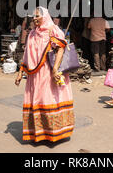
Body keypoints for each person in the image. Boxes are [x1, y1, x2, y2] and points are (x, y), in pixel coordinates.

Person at [14, 7, 74, 143]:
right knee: (37, 100)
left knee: (48, 99)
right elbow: (26, 55)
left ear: (45, 16)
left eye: (37, 16)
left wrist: (55, 71)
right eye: (33, 17)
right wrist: (20, 73)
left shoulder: (53, 30)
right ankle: (39, 132)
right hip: (34, 75)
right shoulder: (32, 34)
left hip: (49, 73)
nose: (34, 19)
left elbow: (60, 49)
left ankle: (53, 133)